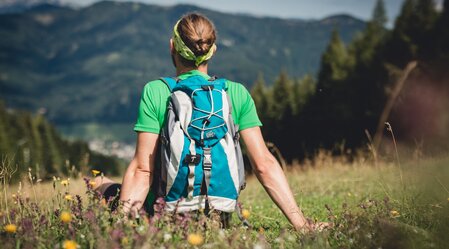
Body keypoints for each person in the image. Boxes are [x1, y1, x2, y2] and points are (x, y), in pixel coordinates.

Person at [97, 13, 324, 232]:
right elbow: (264, 165)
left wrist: (121, 229)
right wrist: (302, 226)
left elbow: (142, 170)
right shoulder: (235, 93)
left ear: (172, 47)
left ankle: (102, 189)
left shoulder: (157, 91)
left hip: (165, 218)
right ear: (212, 50)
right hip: (218, 218)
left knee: (99, 183)